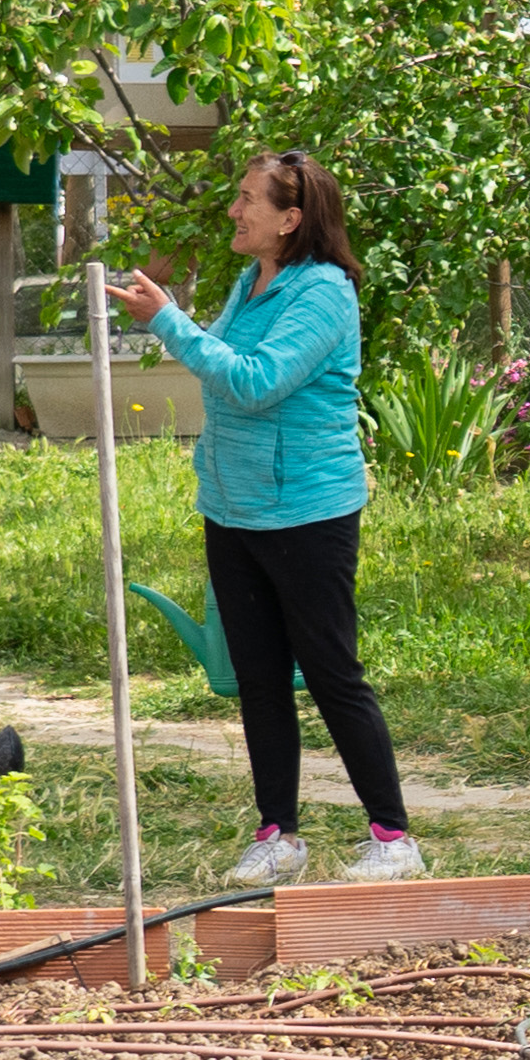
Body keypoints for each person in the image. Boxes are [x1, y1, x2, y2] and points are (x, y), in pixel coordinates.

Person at [114, 150, 421, 886]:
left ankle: (393, 837)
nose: (234, 210)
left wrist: (169, 322)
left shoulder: (324, 295)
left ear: (292, 219)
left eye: (248, 199)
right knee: (257, 678)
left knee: (330, 672)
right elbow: (220, 362)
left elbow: (252, 383)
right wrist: (179, 326)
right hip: (235, 508)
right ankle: (278, 834)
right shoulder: (252, 283)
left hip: (308, 511)